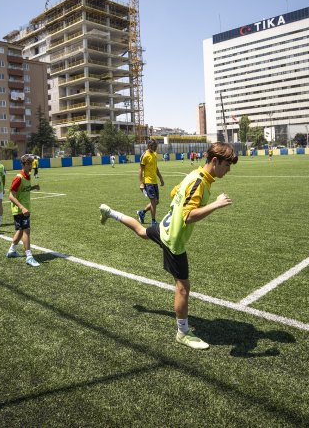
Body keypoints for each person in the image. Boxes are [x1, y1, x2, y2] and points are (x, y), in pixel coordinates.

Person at [99, 142, 236, 349]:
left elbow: (174, 192)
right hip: (173, 239)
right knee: (183, 287)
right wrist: (215, 204)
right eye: (227, 165)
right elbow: (188, 216)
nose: (228, 170)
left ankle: (110, 212)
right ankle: (183, 333)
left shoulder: (195, 174)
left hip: (165, 226)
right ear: (215, 161)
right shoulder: (199, 182)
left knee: (142, 231)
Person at [6, 154, 41, 267]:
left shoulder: (27, 176)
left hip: (24, 209)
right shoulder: (18, 177)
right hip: (20, 209)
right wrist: (22, 207)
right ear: (23, 164)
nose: (31, 166)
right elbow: (11, 196)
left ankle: (11, 250)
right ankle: (29, 257)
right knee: (26, 230)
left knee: (21, 230)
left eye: (31, 164)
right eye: (28, 164)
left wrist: (33, 187)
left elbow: (23, 189)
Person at [137, 139, 165, 227]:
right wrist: (141, 183)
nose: (156, 148)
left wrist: (160, 178)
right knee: (153, 201)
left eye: (156, 146)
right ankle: (153, 221)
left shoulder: (154, 154)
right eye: (154, 146)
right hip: (148, 182)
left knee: (156, 202)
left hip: (154, 181)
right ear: (149, 146)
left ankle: (142, 212)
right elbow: (140, 170)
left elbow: (156, 168)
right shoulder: (144, 155)